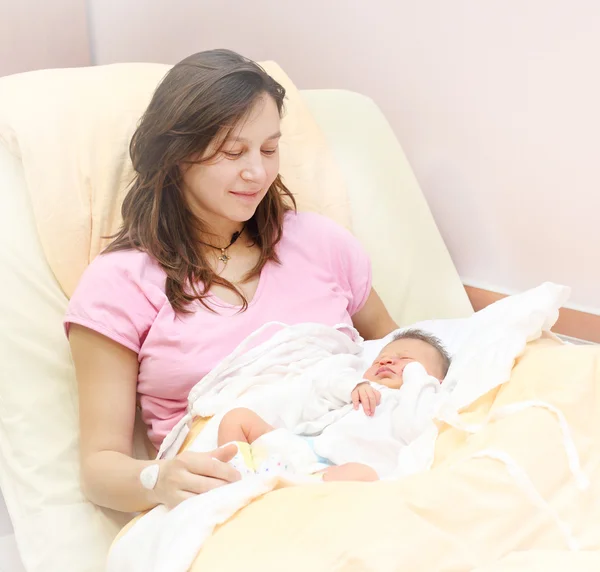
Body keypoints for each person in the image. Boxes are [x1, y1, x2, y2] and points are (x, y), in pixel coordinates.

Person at [65, 49, 397, 512]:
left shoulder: (322, 243)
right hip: (242, 500)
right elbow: (99, 469)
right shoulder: (120, 284)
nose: (257, 173)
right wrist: (158, 480)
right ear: (176, 156)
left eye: (269, 148)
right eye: (233, 152)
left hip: (367, 472)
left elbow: (400, 354)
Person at [216, 329, 451, 481]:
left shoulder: (418, 400)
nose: (387, 360)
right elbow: (323, 387)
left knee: (362, 476)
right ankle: (235, 476)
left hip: (340, 471)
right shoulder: (359, 386)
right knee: (237, 418)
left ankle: (281, 492)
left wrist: (417, 378)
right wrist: (354, 385)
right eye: (381, 358)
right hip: (303, 451)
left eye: (406, 360)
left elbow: (415, 427)